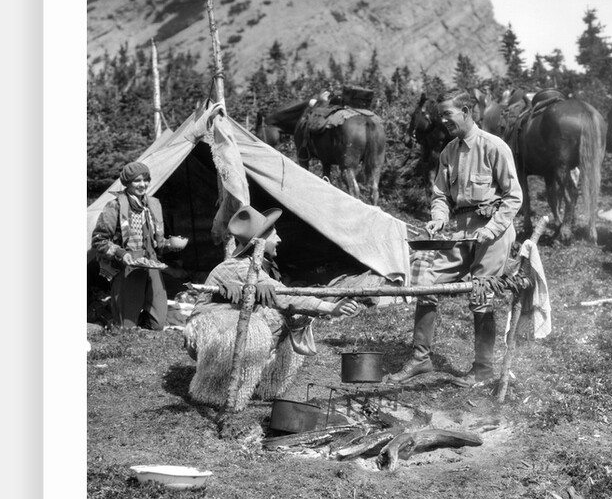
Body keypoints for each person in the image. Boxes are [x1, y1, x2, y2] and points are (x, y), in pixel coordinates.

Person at [389, 89, 523, 386]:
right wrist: (438, 218)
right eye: (440, 117)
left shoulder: (494, 146)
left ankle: (483, 369)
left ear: (465, 110)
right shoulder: (449, 151)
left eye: (447, 115)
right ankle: (421, 359)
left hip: (492, 231)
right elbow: (440, 195)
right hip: (458, 231)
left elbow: (513, 197)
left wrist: (490, 229)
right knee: (427, 285)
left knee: (481, 292)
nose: (443, 121)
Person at [183, 204, 358, 411]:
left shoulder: (258, 266)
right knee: (259, 328)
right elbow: (283, 296)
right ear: (260, 241)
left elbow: (282, 297)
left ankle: (264, 383)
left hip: (227, 323)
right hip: (207, 328)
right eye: (274, 234)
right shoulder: (238, 266)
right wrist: (329, 307)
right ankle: (214, 390)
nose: (279, 239)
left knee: (288, 320)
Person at [91, 161, 185, 330]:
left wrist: (170, 245)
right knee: (126, 324)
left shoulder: (153, 205)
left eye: (146, 180)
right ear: (127, 183)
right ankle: (124, 337)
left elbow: (158, 244)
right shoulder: (115, 206)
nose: (143, 185)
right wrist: (120, 253)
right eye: (137, 181)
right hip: (128, 265)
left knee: (158, 321)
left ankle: (144, 333)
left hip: (152, 264)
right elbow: (99, 240)